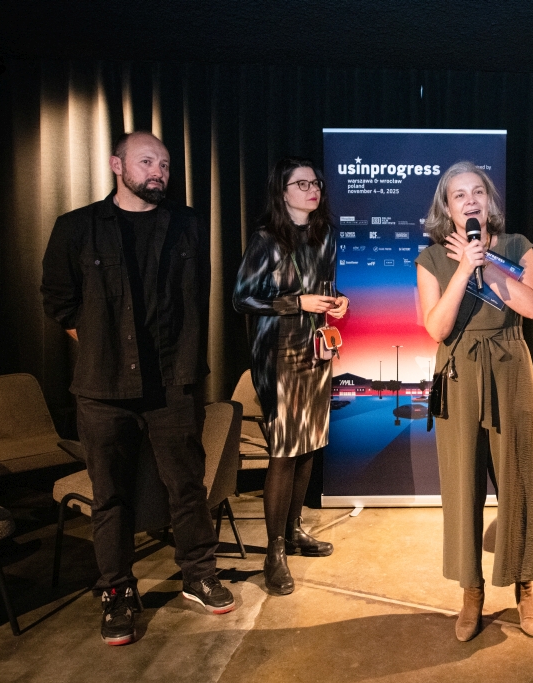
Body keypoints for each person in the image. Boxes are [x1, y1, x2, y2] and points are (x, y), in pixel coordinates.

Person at [41, 131, 235, 646]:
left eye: (164, 164)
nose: (158, 172)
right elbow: (58, 301)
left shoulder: (188, 224)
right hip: (103, 389)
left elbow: (197, 297)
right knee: (111, 496)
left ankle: (198, 575)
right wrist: (101, 345)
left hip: (173, 384)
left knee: (187, 486)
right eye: (146, 161)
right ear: (116, 165)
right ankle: (118, 592)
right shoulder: (76, 227)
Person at [415, 161, 533, 641]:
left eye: (478, 192)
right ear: (447, 209)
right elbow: (437, 327)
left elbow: (532, 306)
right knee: (462, 485)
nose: (470, 201)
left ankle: (524, 584)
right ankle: (471, 590)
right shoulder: (431, 259)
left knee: (518, 482)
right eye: (459, 195)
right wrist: (464, 267)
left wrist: (487, 265)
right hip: (459, 373)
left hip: (511, 368)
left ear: (489, 202)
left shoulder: (516, 247)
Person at [233, 157, 347, 596]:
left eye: (315, 182)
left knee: (309, 443)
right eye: (301, 184)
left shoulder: (326, 235)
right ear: (282, 192)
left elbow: (327, 288)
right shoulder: (266, 239)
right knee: (284, 451)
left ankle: (295, 530)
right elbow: (242, 298)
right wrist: (297, 303)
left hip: (316, 350)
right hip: (278, 355)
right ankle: (274, 551)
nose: (312, 189)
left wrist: (338, 301)